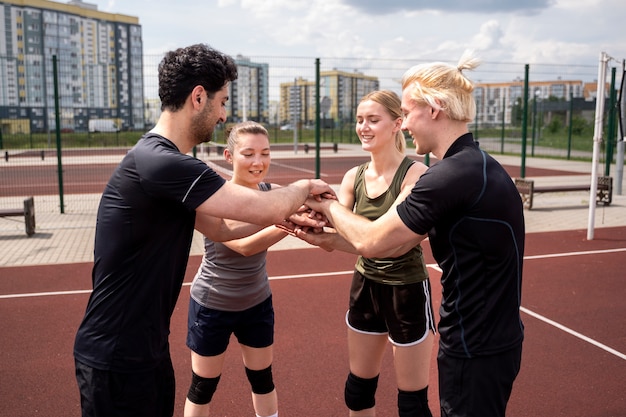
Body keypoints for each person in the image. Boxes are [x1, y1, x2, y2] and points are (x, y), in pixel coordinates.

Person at [73, 44, 333, 417]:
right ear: (199, 97)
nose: (223, 115)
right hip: (117, 353)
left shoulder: (163, 165)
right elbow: (262, 206)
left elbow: (224, 227)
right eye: (222, 101)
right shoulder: (161, 163)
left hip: (144, 348)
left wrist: (292, 218)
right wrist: (305, 190)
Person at [296, 52, 525, 417]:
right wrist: (329, 239)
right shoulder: (476, 166)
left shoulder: (447, 176)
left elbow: (373, 240)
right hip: (488, 337)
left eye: (407, 112)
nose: (404, 125)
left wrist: (327, 206)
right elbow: (394, 243)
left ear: (434, 108)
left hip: (476, 342)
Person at [294, 90, 435, 416]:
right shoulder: (352, 177)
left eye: (373, 120)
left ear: (397, 123)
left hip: (406, 290)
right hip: (366, 285)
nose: (363, 127)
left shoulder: (416, 177)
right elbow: (341, 233)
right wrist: (304, 216)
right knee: (357, 393)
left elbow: (385, 240)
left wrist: (329, 219)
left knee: (412, 405)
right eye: (360, 120)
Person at [184, 121, 286, 417]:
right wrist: (289, 224)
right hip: (212, 305)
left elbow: (304, 201)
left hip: (257, 303)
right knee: (203, 386)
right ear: (229, 157)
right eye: (249, 153)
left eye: (265, 153)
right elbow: (244, 245)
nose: (259, 162)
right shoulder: (218, 197)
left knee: (262, 380)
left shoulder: (271, 192)